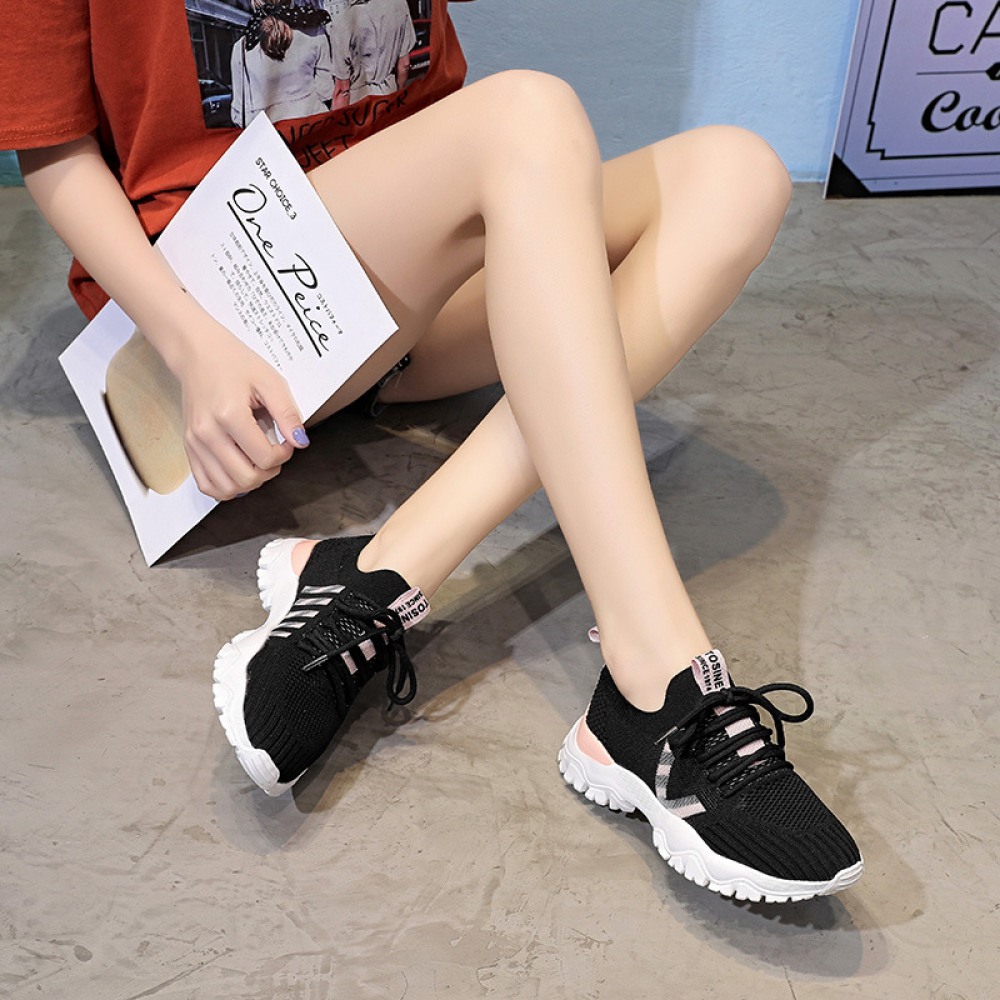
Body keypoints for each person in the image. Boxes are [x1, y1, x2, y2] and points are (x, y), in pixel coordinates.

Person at [3, 0, 862, 904]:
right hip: (228, 308)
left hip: (400, 286)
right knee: (528, 111)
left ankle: (383, 570)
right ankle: (657, 677)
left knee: (738, 174)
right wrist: (191, 344)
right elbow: (51, 151)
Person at [230, 2, 335, 127]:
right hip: (311, 127)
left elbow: (238, 113)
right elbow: (326, 91)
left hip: (268, 133)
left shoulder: (242, 47)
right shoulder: (314, 32)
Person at [328, 0, 418, 108]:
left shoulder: (342, 22)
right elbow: (404, 65)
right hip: (390, 95)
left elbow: (342, 90)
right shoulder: (399, 4)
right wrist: (398, 93)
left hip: (360, 103)